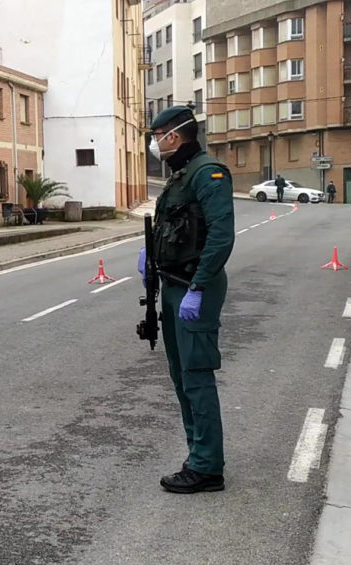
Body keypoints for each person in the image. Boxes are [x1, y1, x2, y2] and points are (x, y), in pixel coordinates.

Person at [139, 105, 235, 493]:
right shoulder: (180, 176)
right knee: (182, 378)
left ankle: (208, 467)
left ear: (174, 136)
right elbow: (172, 227)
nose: (154, 143)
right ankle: (198, 455)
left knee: (196, 377)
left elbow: (221, 237)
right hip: (174, 285)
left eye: (157, 136)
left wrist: (198, 287)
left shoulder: (208, 174)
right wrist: (150, 255)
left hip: (195, 287)